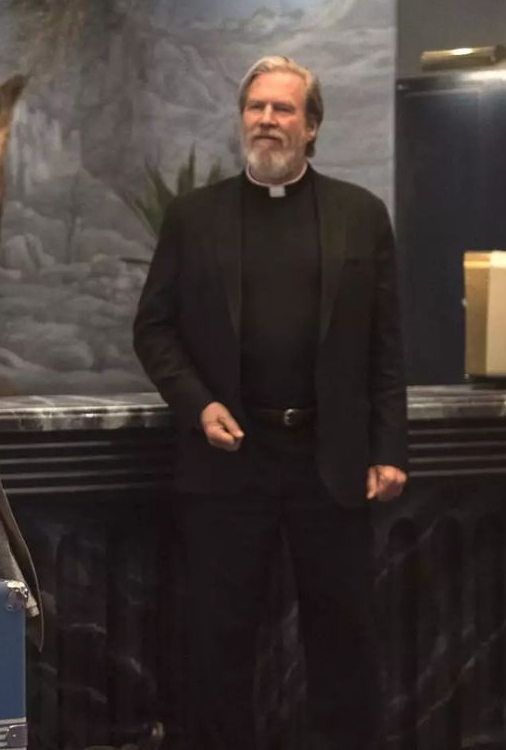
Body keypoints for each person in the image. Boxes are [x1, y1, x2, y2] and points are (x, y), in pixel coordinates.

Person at [132, 55, 407, 748]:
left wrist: (389, 449)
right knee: (218, 644)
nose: (267, 121)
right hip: (230, 460)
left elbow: (386, 346)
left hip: (331, 459)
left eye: (284, 110)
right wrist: (197, 404)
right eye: (256, 108)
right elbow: (153, 328)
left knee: (344, 640)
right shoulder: (195, 218)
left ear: (312, 128)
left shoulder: (360, 215)